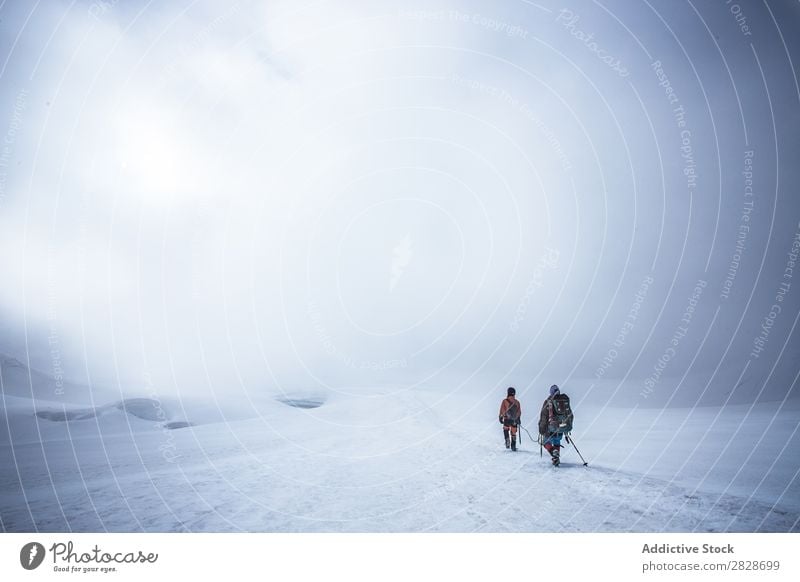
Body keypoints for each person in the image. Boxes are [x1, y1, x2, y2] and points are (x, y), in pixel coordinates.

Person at [538, 384, 573, 466]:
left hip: (551, 428)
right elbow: (570, 415)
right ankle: (556, 458)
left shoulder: (548, 402)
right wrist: (568, 426)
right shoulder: (564, 402)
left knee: (545, 442)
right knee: (557, 441)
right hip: (562, 428)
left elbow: (544, 416)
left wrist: (541, 428)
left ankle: (553, 452)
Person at [498, 387, 522, 451]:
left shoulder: (505, 401)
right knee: (513, 432)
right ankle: (513, 446)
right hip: (514, 420)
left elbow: (502, 410)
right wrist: (518, 418)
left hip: (507, 419)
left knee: (506, 430)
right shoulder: (517, 402)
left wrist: (500, 417)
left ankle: (507, 441)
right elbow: (519, 412)